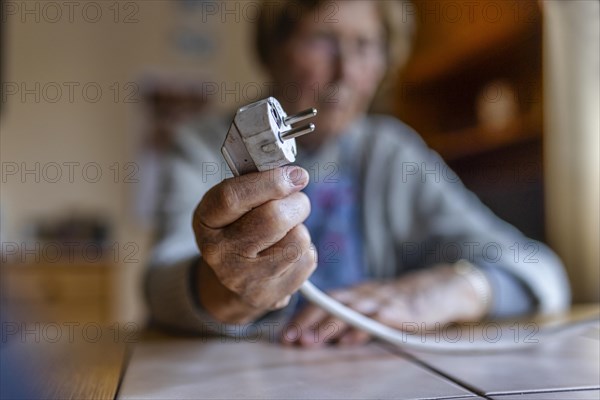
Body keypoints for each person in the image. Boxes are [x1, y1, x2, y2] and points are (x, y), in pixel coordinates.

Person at [145, 0, 570, 347]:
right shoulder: (203, 146)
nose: (347, 72)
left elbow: (540, 269)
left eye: (366, 46)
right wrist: (229, 291)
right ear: (273, 50)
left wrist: (457, 290)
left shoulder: (390, 152)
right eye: (323, 40)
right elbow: (159, 285)